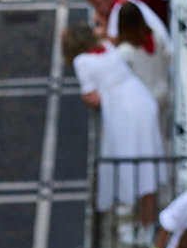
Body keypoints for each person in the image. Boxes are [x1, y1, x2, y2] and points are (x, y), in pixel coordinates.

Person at [67, 19, 166, 235]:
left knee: (130, 165)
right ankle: (147, 222)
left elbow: (91, 97)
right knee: (146, 165)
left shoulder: (82, 61)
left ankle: (142, 223)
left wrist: (107, 95)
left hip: (123, 111)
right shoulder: (109, 47)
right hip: (141, 99)